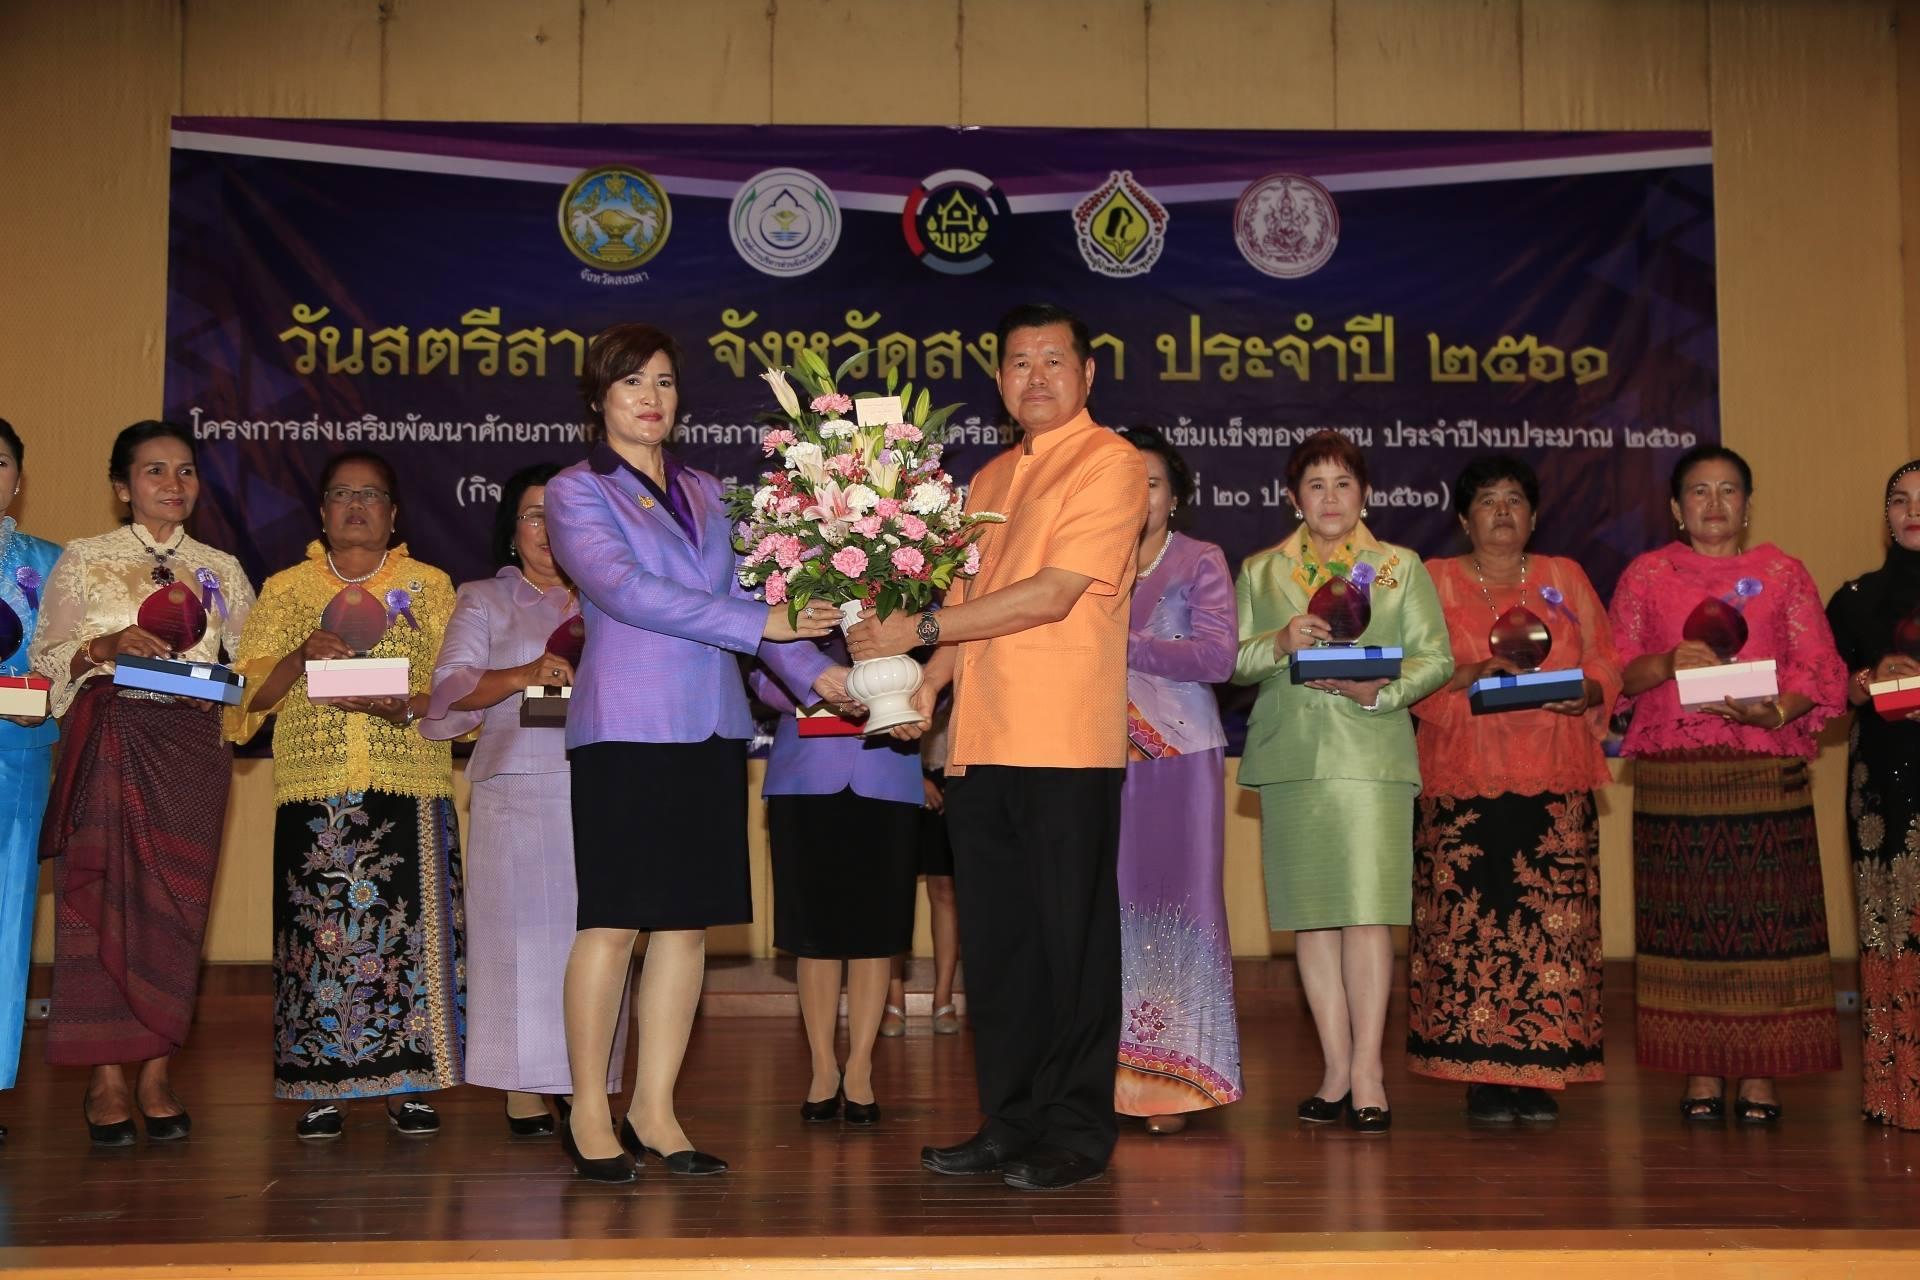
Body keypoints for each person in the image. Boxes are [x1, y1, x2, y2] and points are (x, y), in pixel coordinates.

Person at [850, 302, 1148, 1192]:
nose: (1036, 377)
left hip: (1064, 743)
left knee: (1070, 946)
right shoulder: (984, 479)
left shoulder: (1110, 462)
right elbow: (965, 614)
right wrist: (925, 684)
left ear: (1087, 374)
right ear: (999, 382)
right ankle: (1010, 1121)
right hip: (979, 743)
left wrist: (920, 628)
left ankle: (1077, 1129)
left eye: (1054, 360)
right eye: (1019, 363)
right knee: (1002, 949)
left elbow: (1051, 594)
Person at [543, 323, 838, 1183]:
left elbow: (757, 606)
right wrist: (762, 620)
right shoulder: (576, 491)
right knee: (612, 922)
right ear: (598, 397)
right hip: (627, 729)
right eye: (632, 381)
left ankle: (655, 1109)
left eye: (665, 382)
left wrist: (828, 681)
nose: (651, 397)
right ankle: (588, 1110)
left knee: (684, 928)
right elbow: (628, 591)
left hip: (711, 726)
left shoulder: (709, 492)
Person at [29, 419, 255, 1145]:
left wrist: (230, 686)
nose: (173, 484)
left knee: (176, 909)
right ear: (122, 488)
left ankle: (157, 1071)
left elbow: (249, 667)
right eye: (155, 471)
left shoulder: (221, 568)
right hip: (112, 736)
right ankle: (105, 1077)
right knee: (98, 905)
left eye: (185, 470)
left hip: (191, 751)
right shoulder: (86, 559)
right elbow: (47, 657)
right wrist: (105, 645)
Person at [229, 450, 464, 1140]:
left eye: (372, 495)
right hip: (317, 789)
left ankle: (408, 1085)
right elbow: (247, 701)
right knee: (318, 938)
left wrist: (404, 705)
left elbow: (457, 690)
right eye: (342, 493)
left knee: (405, 938)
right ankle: (319, 1085)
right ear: (322, 511)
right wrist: (299, 655)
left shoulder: (429, 586)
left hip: (408, 782)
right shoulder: (286, 589)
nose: (357, 506)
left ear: (394, 514)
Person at [1610, 443, 1845, 1125]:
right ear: (1675, 507)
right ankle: (1701, 1069)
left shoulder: (1782, 573)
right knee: (1686, 924)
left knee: (1767, 923)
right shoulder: (1646, 575)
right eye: (1699, 491)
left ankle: (1762, 1074)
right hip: (1675, 776)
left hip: (1763, 768)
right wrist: (1665, 662)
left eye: (1728, 490)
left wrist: (1777, 711)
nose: (1714, 504)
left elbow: (1818, 668)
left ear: (1747, 505)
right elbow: (1616, 670)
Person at [1230, 429, 1452, 1134]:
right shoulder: (1262, 570)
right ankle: (1333, 1069)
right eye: (1316, 485)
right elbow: (1231, 661)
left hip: (1371, 757)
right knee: (1312, 918)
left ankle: (1368, 1072)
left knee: (1366, 915)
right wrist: (1279, 642)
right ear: (1293, 498)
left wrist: (1381, 692)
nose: (1330, 498)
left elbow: (1436, 658)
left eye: (1344, 483)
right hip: (1293, 758)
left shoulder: (1398, 567)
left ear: (1365, 494)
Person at [1407, 455, 1622, 1124]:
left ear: (1533, 515)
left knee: (1548, 925)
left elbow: (1606, 658)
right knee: (1471, 929)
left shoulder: (1565, 577)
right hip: (1463, 779)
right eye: (1487, 500)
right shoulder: (1432, 579)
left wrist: (1589, 690)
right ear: (1463, 517)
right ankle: (1481, 1074)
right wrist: (1471, 672)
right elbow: (1414, 670)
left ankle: (1542, 1070)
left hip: (1554, 776)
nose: (1502, 511)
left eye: (1514, 499)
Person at [421, 463, 625, 1136]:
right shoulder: (484, 598)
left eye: (559, 516)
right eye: (534, 515)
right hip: (516, 786)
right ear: (513, 531)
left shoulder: (616, 598)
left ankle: (584, 1083)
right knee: (521, 943)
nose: (547, 529)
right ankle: (521, 1084)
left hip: (605, 784)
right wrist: (521, 674)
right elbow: (448, 688)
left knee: (594, 939)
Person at [1111, 425, 1242, 1135]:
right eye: (1126, 483)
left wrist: (1119, 642)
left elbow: (1217, 658)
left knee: (1179, 910)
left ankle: (1174, 1086)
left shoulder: (1199, 559)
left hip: (1180, 758)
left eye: (1153, 483)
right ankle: (1109, 1079)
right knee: (1108, 912)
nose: (1139, 496)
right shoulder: (1084, 560)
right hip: (1095, 754)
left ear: (1176, 495)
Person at [749, 635, 922, 1126]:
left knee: (877, 933)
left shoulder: (913, 605)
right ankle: (823, 1068)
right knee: (814, 934)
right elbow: (759, 674)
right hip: (805, 775)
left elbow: (939, 678)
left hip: (887, 771)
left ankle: (861, 1067)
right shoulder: (789, 600)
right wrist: (823, 688)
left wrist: (893, 691)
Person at [1825, 458, 1920, 1131]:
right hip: (1883, 782)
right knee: (1890, 922)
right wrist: (1864, 683)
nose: (1913, 511)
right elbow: (1826, 692)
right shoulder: (1854, 598)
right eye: (1900, 500)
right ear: (1885, 515)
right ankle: (1896, 1090)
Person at [0, 418, 60, 1142]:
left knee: (7, 920)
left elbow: (68, 660)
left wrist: (45, 693)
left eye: (0, 462)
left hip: (17, 758)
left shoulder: (50, 562)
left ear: (18, 477)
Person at [883, 706, 961, 1039]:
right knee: (896, 891)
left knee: (945, 889)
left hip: (952, 774)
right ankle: (893, 998)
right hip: (897, 774)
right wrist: (914, 776)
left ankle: (943, 998)